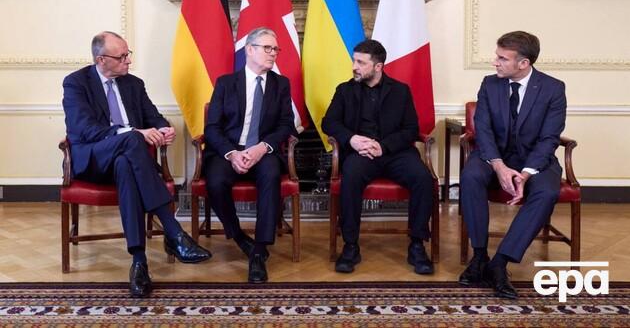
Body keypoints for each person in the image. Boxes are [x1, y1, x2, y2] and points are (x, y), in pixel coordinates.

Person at [62, 31, 210, 298]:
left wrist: (164, 129)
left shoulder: (133, 84)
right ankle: (174, 232)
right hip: (93, 159)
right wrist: (134, 132)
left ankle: (139, 262)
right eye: (121, 57)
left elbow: (154, 116)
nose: (128, 61)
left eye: (128, 54)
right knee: (131, 139)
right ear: (101, 59)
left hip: (127, 162)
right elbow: (85, 130)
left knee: (125, 164)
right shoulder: (76, 83)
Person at [459, 31, 567, 299]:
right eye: (497, 56)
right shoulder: (490, 84)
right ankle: (479, 256)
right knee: (471, 176)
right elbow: (482, 129)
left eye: (502, 58)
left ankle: (500, 262)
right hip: (493, 156)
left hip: (535, 160)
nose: (494, 62)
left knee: (547, 191)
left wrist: (526, 173)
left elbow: (549, 138)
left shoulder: (553, 89)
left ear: (523, 63)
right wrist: (498, 166)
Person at [322, 39, 434, 275]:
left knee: (423, 178)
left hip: (395, 153)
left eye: (361, 62)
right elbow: (329, 122)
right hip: (360, 153)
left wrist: (383, 146)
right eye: (354, 61)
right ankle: (351, 246)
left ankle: (417, 244)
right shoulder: (344, 90)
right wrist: (352, 139)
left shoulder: (400, 91)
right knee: (350, 177)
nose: (354, 66)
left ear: (378, 66)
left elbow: (411, 129)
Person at [203, 27, 295, 283]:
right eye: (267, 48)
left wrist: (262, 148)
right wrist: (232, 153)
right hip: (229, 150)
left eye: (275, 49)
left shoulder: (281, 84)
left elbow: (286, 125)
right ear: (250, 50)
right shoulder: (225, 83)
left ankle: (259, 250)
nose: (273, 53)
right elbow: (212, 128)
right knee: (216, 181)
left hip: (263, 151)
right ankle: (239, 236)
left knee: (271, 174)